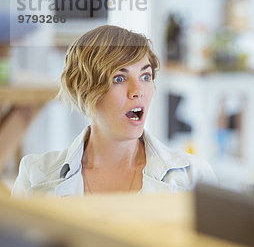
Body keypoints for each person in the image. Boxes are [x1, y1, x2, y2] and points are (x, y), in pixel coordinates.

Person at [11, 25, 216, 197]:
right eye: (119, 78)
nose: (138, 92)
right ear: (85, 90)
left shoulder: (195, 176)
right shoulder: (35, 175)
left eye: (145, 77)